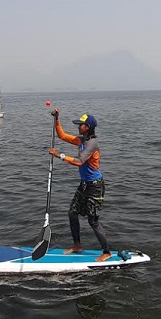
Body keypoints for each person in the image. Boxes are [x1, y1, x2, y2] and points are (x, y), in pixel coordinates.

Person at [47, 109, 112, 262]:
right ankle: (77, 245)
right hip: (84, 185)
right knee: (72, 213)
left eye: (80, 125)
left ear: (87, 127)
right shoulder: (81, 140)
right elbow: (62, 136)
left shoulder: (91, 144)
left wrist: (60, 155)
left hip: (95, 186)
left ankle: (107, 251)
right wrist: (57, 119)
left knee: (93, 221)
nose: (78, 127)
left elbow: (79, 161)